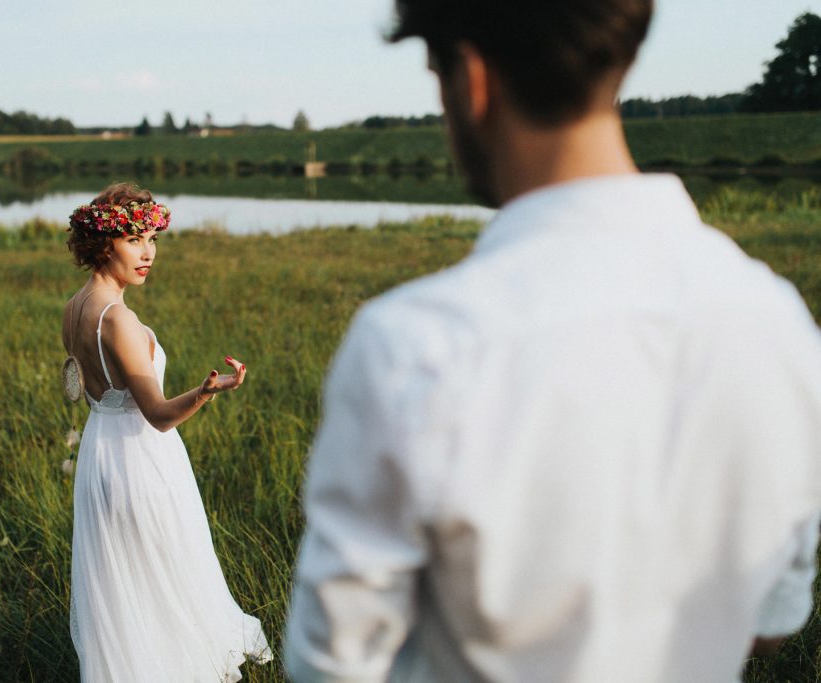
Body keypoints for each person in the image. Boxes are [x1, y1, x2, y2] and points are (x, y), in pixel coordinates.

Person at [284, 1, 821, 681]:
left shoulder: (413, 349)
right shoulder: (778, 322)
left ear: (472, 81)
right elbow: (770, 622)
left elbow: (335, 663)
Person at [62, 183, 271, 681]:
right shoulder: (118, 319)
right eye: (135, 240)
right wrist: (207, 390)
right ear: (104, 243)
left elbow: (85, 385)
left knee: (126, 579)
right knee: (169, 569)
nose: (148, 253)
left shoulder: (74, 307)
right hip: (140, 459)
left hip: (100, 452)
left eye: (153, 238)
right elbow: (156, 414)